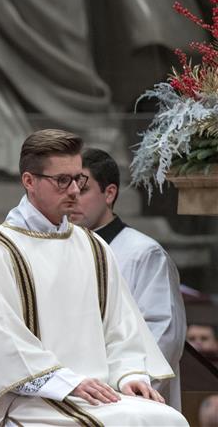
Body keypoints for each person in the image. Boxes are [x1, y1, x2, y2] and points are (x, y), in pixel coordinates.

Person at [0, 129, 187, 426]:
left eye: (79, 179)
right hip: (35, 400)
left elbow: (121, 327)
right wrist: (67, 383)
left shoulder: (93, 247)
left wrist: (130, 374)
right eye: (62, 180)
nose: (74, 190)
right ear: (29, 181)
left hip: (101, 393)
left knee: (167, 419)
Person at [69, 147, 186, 408]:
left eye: (83, 189)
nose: (73, 197)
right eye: (69, 189)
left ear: (109, 193)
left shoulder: (143, 254)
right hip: (75, 396)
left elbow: (164, 335)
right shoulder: (63, 250)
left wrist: (121, 393)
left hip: (124, 401)